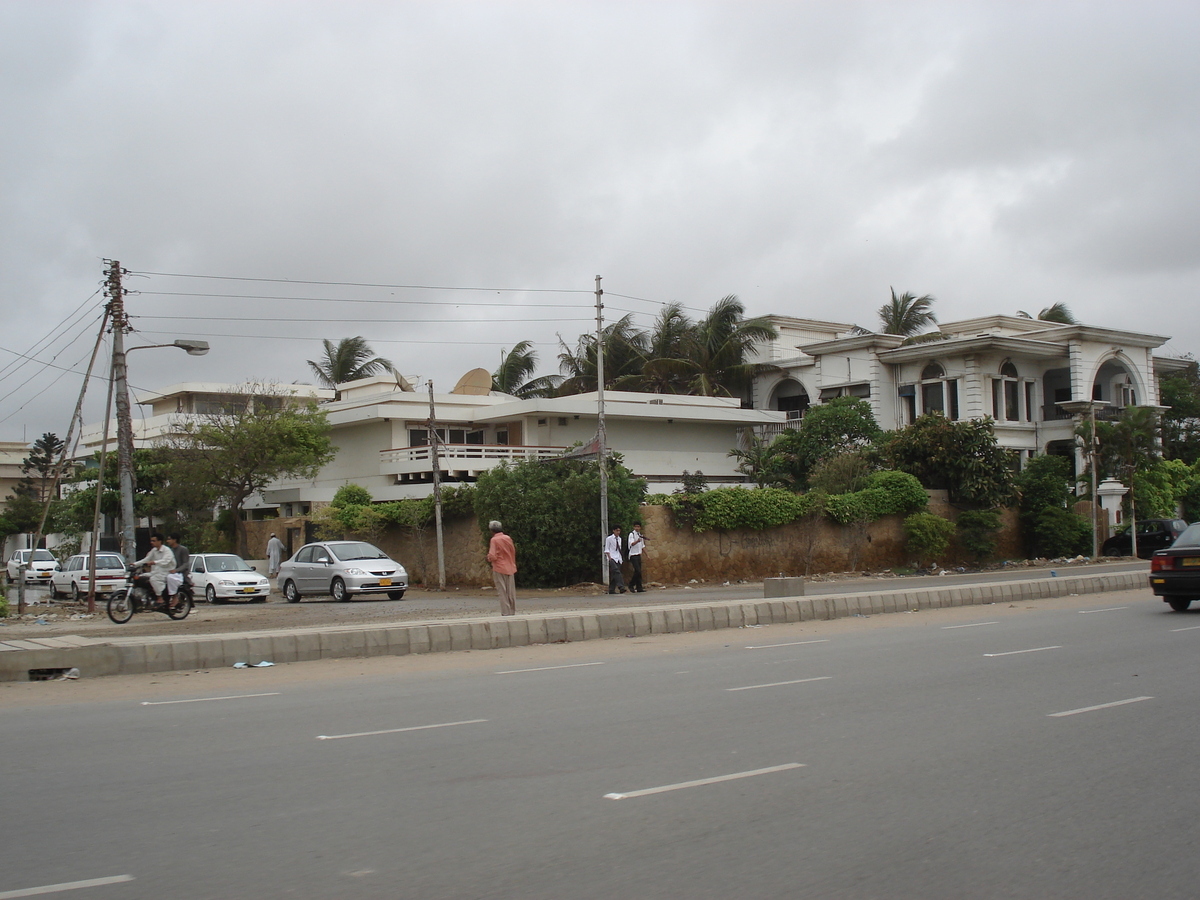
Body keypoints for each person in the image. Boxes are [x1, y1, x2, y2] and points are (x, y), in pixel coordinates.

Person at [487, 520, 518, 616]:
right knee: (510, 591)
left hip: (499, 567)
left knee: (502, 591)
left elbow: (492, 555)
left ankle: (505, 612)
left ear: (492, 530)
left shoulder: (494, 540)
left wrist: (488, 557)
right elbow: (513, 551)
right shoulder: (508, 538)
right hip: (510, 567)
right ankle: (512, 611)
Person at [134, 533, 175, 605]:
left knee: (153, 579)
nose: (151, 542)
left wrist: (154, 562)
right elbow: (146, 559)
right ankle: (147, 596)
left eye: (154, 541)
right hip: (156, 572)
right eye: (151, 541)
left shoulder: (167, 550)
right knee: (140, 577)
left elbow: (165, 561)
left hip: (167, 572)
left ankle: (160, 597)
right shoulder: (154, 550)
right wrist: (134, 564)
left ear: (160, 541)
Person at [165, 533, 190, 602]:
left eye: (169, 539)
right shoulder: (169, 551)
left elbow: (186, 564)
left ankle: (175, 597)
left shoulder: (183, 549)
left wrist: (176, 570)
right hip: (171, 572)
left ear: (174, 540)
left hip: (180, 573)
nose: (167, 541)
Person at [605, 525, 627, 594]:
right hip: (612, 557)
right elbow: (607, 548)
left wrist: (621, 558)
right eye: (617, 530)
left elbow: (618, 549)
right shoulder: (609, 539)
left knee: (614, 574)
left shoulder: (620, 539)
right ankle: (621, 587)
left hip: (618, 558)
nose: (618, 532)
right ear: (613, 531)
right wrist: (609, 557)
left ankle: (611, 589)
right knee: (616, 571)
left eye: (619, 531)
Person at [628, 522, 646, 592]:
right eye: (636, 527)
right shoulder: (631, 535)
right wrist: (637, 541)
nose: (637, 528)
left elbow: (643, 546)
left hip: (638, 555)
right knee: (637, 571)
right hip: (633, 555)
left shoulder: (640, 535)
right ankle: (631, 584)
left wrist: (647, 555)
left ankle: (639, 587)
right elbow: (631, 544)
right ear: (633, 527)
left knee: (639, 572)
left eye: (638, 527)